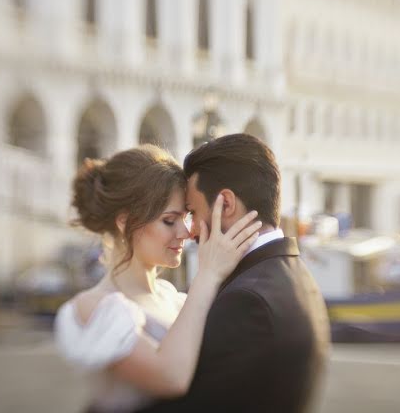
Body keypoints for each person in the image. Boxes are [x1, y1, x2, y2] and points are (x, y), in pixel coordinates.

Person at [54, 145, 262, 413]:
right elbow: (171, 378)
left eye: (185, 218)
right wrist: (207, 275)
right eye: (169, 221)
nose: (186, 233)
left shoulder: (172, 297)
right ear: (125, 222)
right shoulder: (94, 306)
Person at [135, 133, 332, 413]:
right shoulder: (295, 274)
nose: (190, 231)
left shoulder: (247, 301)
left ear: (225, 204)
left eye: (192, 212)